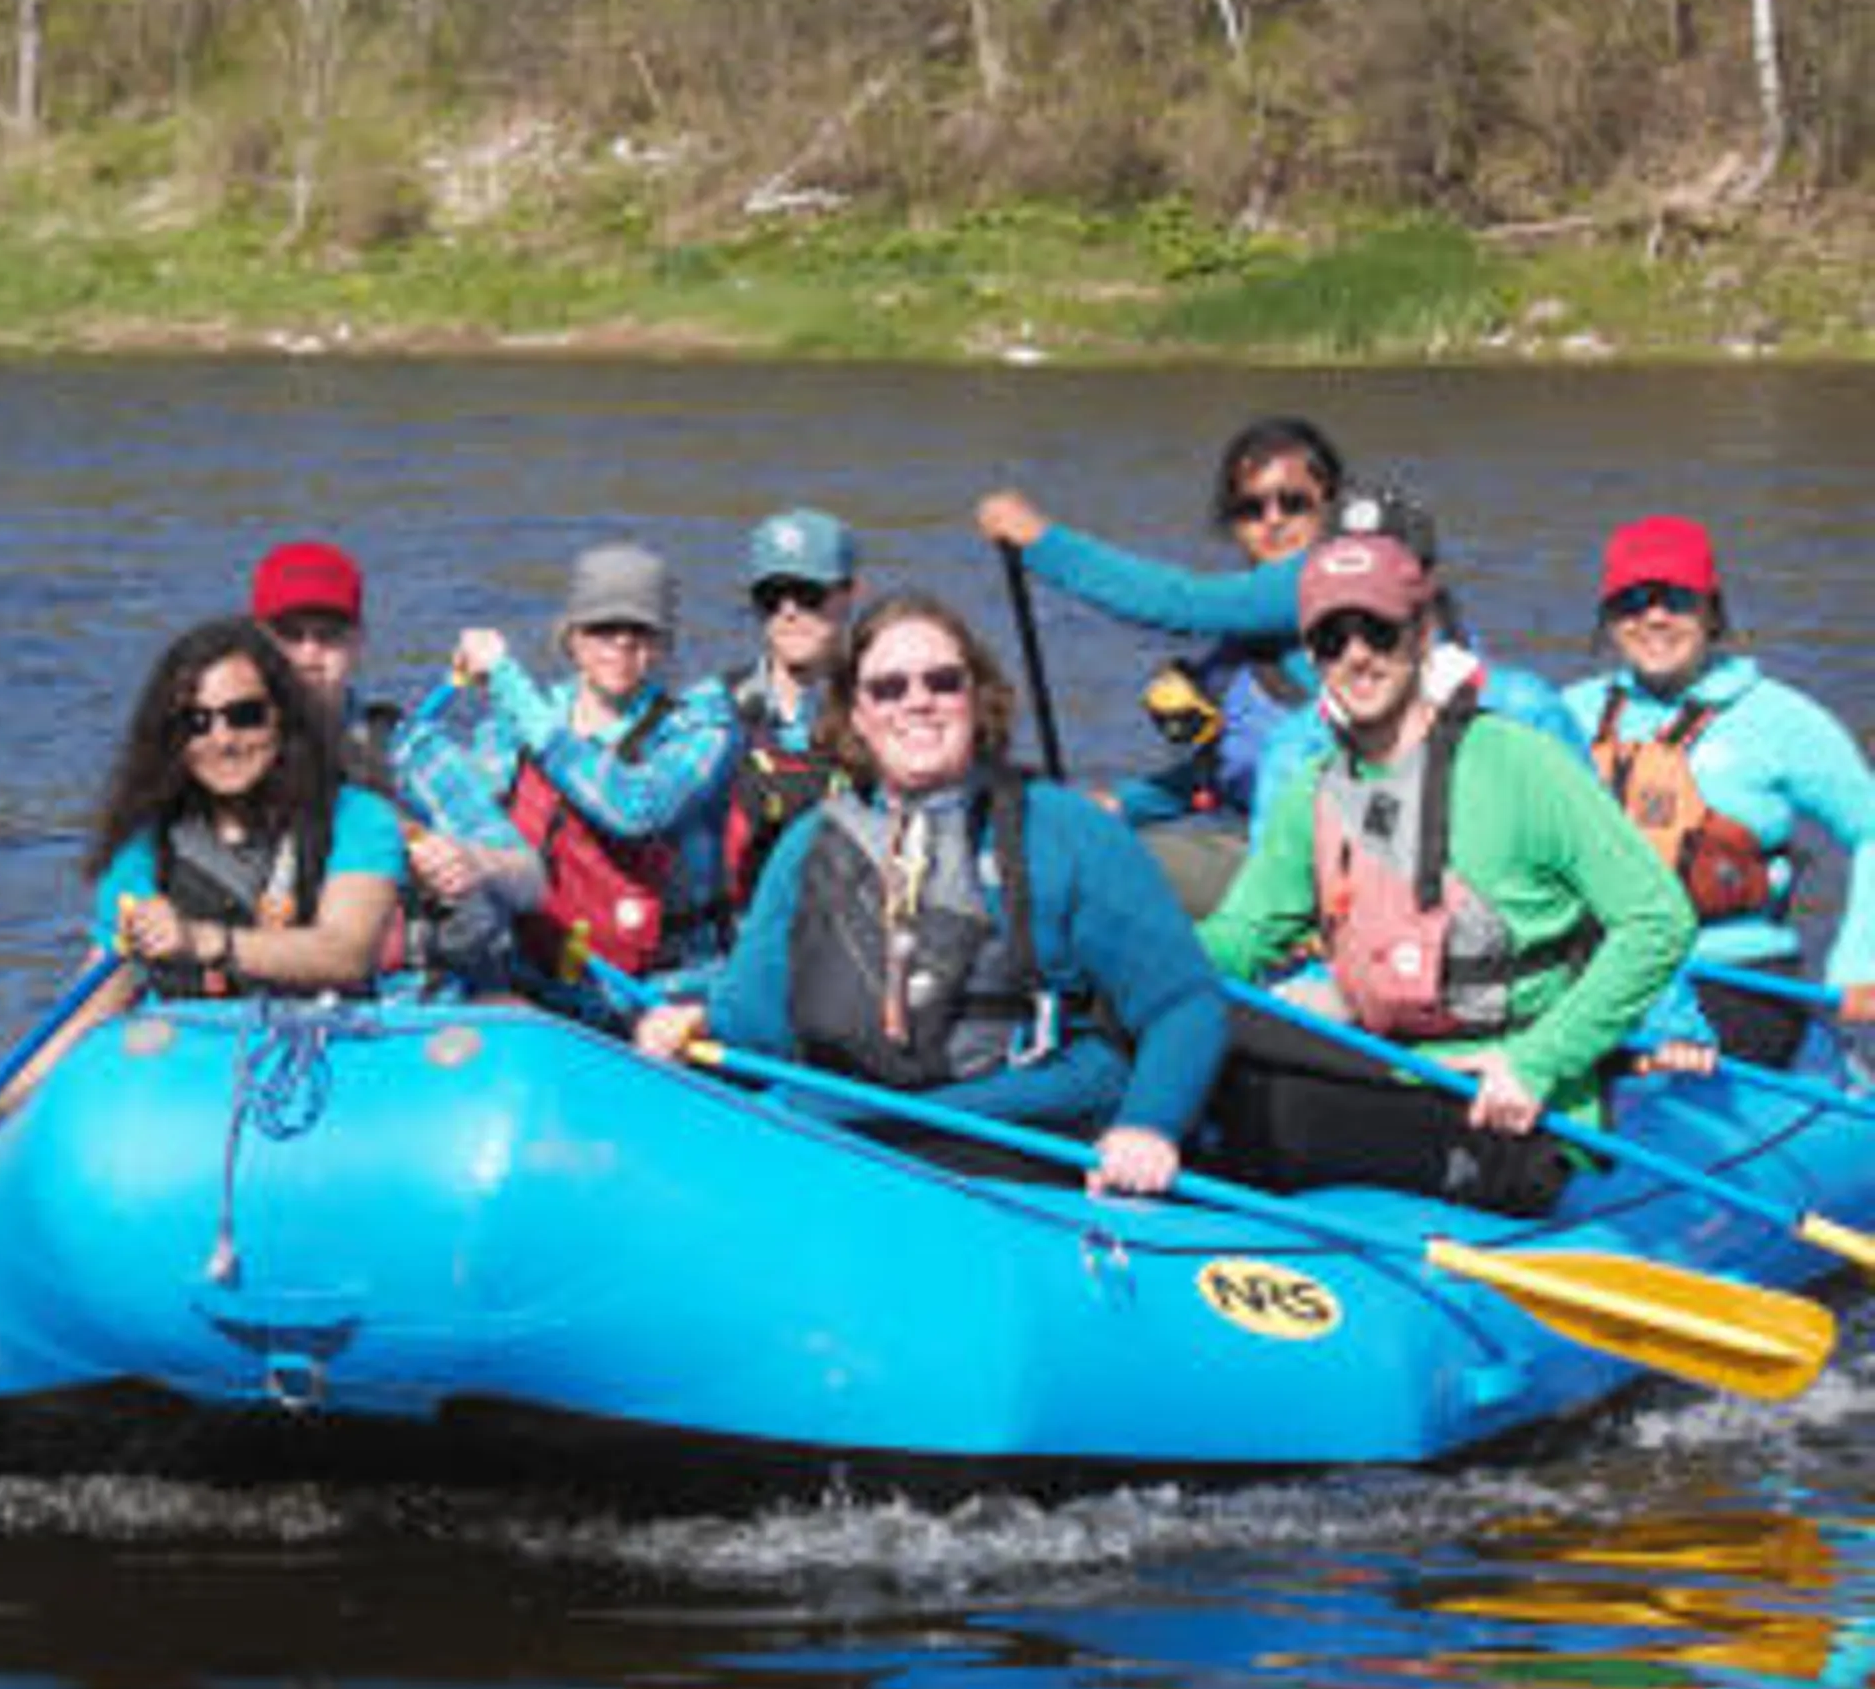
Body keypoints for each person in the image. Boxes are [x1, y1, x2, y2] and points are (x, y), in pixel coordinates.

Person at [635, 593, 1230, 1199]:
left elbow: (1184, 1003)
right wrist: (694, 1022)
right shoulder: (808, 846)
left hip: (1024, 1134)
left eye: (943, 682)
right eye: (887, 688)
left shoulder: (1069, 832)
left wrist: (1148, 1126)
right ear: (857, 715)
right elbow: (753, 1020)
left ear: (977, 697)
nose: (917, 701)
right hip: (857, 1129)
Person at [1199, 533, 1695, 1213]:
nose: (1357, 655)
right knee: (1211, 1044)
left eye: (1377, 629)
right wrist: (1131, 964)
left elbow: (1658, 919)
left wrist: (1538, 1060)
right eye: (1331, 638)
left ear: (1423, 633)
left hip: (1514, 1105)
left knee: (1274, 1115)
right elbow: (1238, 938)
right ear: (1311, 655)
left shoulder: (1519, 763)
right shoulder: (1313, 791)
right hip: (1383, 1071)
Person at [0, 616, 405, 1187]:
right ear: (172, 739)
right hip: (194, 1104)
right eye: (195, 723)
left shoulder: (357, 818)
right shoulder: (144, 853)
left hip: (338, 1088)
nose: (223, 739)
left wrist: (202, 942)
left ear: (282, 717)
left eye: (245, 714)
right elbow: (87, 1016)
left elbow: (345, 951)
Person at [1562, 515, 1875, 1066]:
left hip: (1736, 980)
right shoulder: (1566, 714)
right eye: (1632, 600)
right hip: (1594, 972)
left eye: (1676, 598)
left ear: (1713, 611)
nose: (1654, 616)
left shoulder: (1781, 720)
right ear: (1608, 619)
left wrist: (1859, 964)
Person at [976, 414, 1344, 831]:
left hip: (1339, 857)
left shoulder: (1330, 578)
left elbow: (1180, 602)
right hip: (1268, 840)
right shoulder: (1247, 636)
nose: (1273, 520)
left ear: (1328, 503)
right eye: (1250, 508)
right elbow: (1220, 770)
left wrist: (1042, 542)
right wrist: (1121, 805)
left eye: (1293, 503)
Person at [417, 540, 742, 985]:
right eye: (604, 626)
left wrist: (509, 684)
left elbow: (634, 810)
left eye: (641, 628)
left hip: (666, 985)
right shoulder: (512, 726)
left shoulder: (703, 729)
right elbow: (472, 813)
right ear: (571, 637)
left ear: (663, 644)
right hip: (539, 968)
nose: (623, 640)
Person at [248, 539, 542, 953]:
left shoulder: (406, 748)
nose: (309, 655)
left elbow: (531, 877)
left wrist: (476, 862)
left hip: (401, 1002)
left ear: (358, 643)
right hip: (250, 987)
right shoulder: (213, 747)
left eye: (329, 636)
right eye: (289, 636)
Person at [1250, 479, 1587, 836]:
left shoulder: (1524, 709)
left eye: (1390, 572)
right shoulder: (1294, 744)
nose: (1358, 650)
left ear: (1428, 590)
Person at [719, 507, 860, 912]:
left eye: (808, 594)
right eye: (770, 597)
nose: (789, 611)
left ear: (850, 594)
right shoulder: (710, 708)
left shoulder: (888, 708)